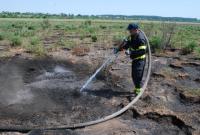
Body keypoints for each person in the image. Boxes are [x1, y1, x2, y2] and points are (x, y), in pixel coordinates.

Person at [114, 23, 147, 95]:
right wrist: (119, 49)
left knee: (137, 75)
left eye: (130, 30)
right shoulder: (133, 36)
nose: (129, 32)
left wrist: (131, 52)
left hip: (140, 60)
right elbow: (128, 44)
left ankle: (138, 91)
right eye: (129, 30)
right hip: (135, 59)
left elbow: (142, 51)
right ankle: (137, 88)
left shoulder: (141, 38)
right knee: (134, 75)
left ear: (135, 30)